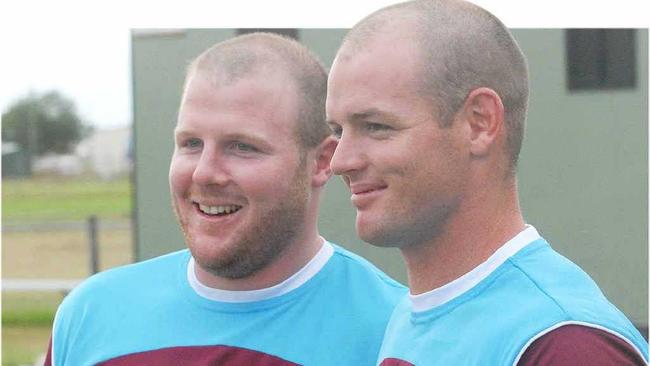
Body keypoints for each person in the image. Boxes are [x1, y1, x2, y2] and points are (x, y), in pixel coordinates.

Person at [46, 32, 405, 365]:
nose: (204, 173)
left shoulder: (395, 334)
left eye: (242, 147)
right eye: (191, 144)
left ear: (322, 161)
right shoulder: (92, 313)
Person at [325, 1, 649, 365]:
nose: (340, 161)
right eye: (338, 130)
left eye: (376, 126)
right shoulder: (414, 312)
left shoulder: (564, 345)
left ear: (479, 123)